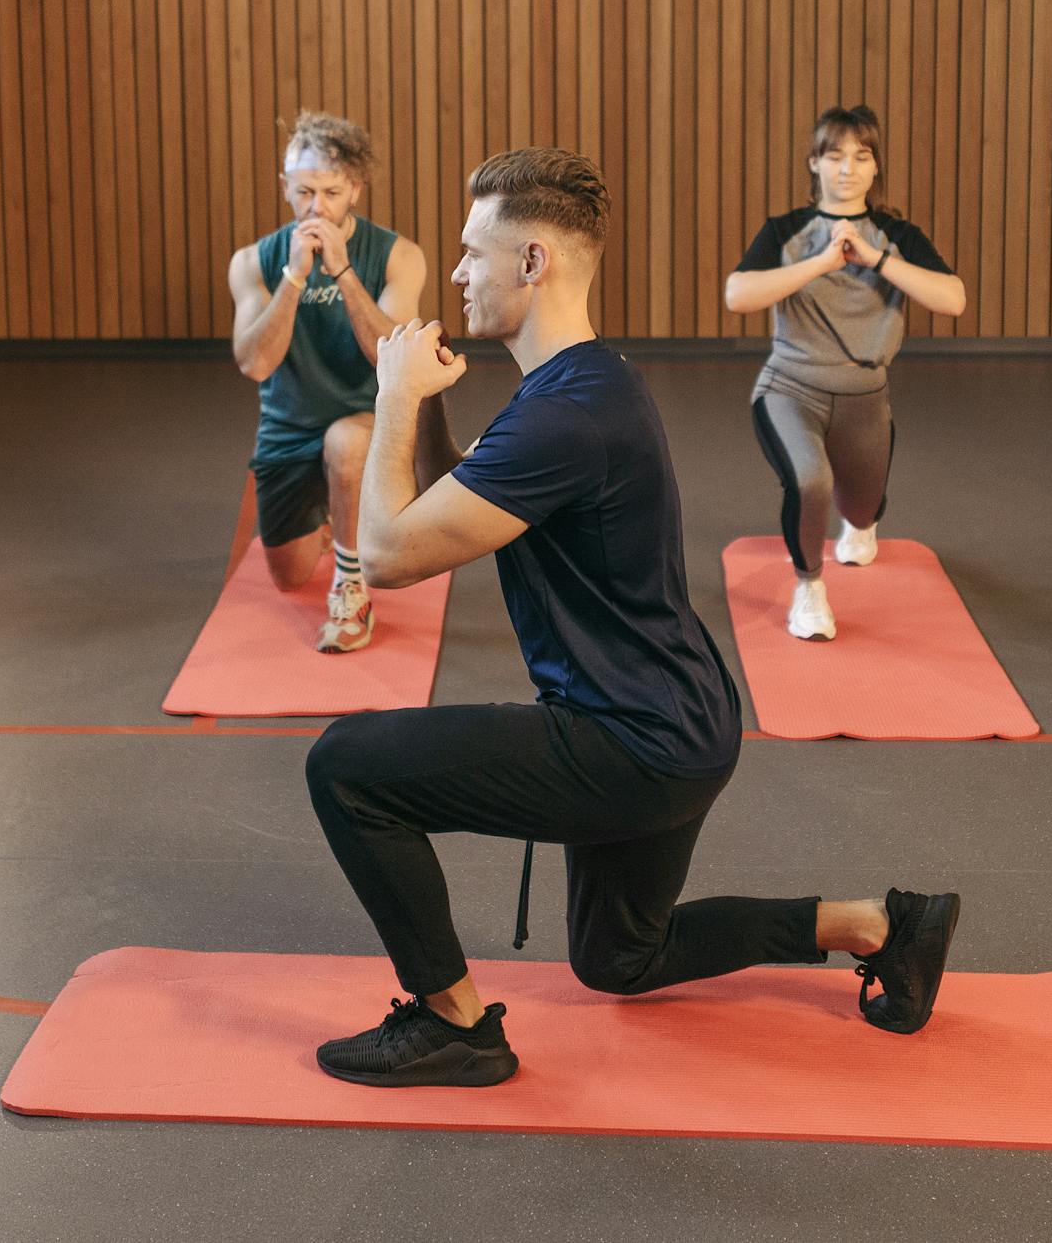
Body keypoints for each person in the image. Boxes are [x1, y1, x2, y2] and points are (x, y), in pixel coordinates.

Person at [303, 148, 961, 1088]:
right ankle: (876, 925)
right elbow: (462, 498)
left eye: (471, 253)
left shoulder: (564, 417)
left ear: (534, 263)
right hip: (687, 721)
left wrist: (394, 397)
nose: (456, 274)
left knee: (347, 769)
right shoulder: (583, 385)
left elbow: (392, 555)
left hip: (629, 738)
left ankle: (453, 1023)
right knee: (618, 958)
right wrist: (433, 415)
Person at [722, 107, 965, 640]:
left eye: (861, 157)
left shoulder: (898, 235)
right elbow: (738, 295)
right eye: (834, 156)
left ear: (876, 169)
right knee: (810, 481)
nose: (847, 169)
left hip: (865, 401)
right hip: (790, 388)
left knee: (862, 504)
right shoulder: (785, 231)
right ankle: (809, 591)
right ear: (815, 163)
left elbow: (953, 299)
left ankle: (862, 523)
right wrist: (824, 262)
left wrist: (874, 260)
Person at [226, 114, 453, 652]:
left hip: (366, 424)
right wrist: (296, 276)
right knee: (288, 577)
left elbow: (388, 356)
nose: (317, 207)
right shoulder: (252, 263)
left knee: (346, 443)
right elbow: (256, 364)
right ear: (285, 189)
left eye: (330, 192)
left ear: (354, 188)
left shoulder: (398, 255)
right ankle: (336, 510)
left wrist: (345, 273)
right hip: (288, 429)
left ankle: (351, 588)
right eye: (304, 192)